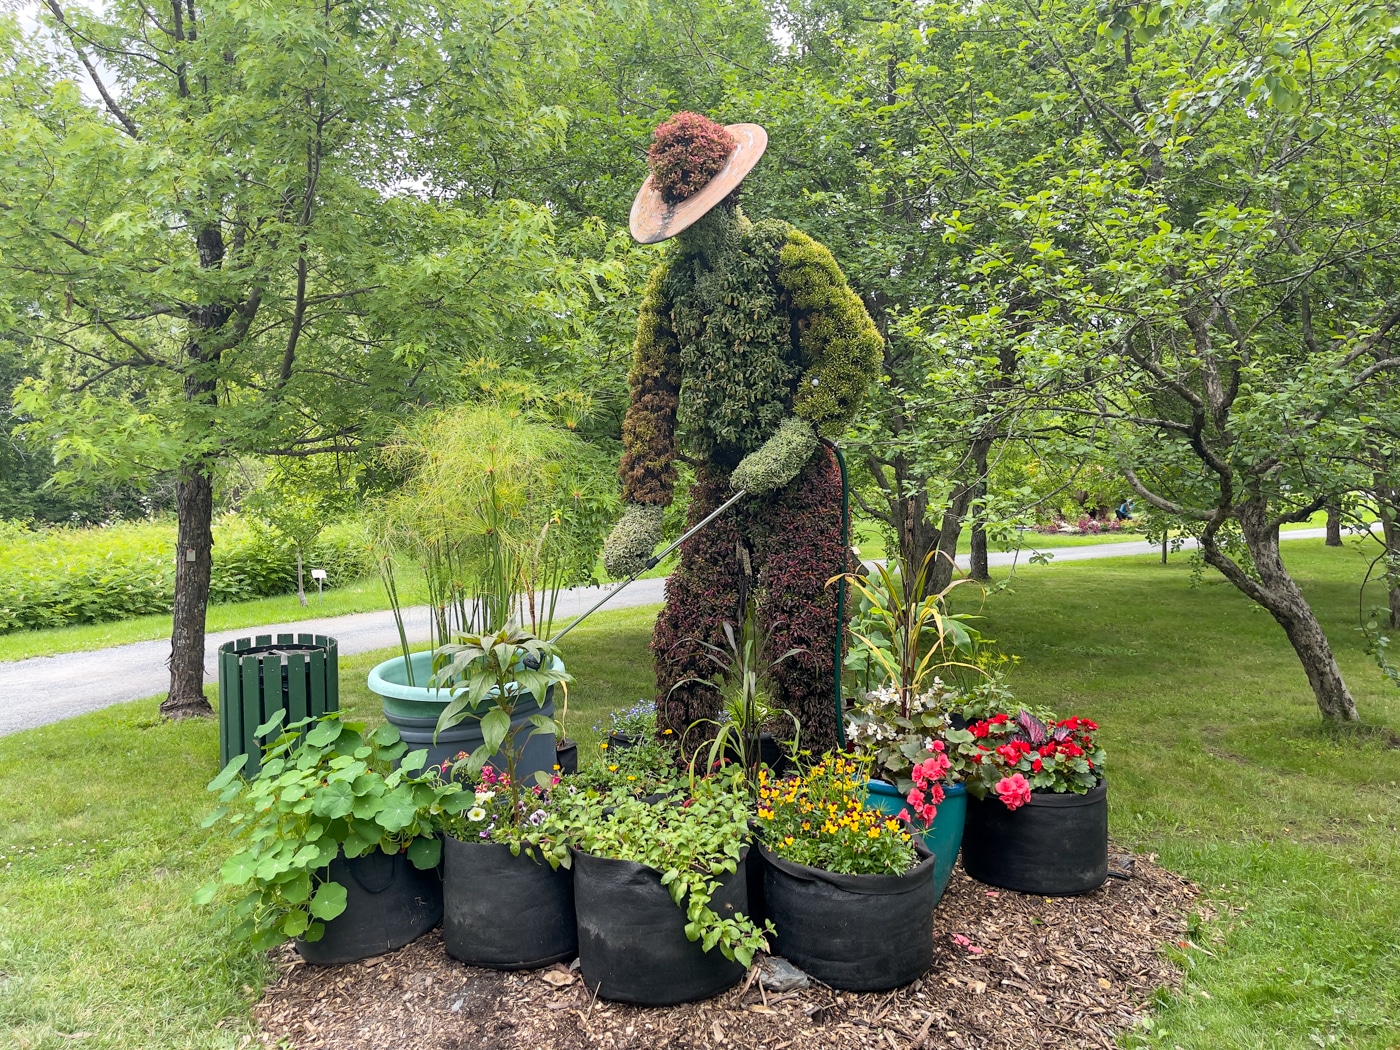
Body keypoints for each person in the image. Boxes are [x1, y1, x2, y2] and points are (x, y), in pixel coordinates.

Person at [601, 113, 882, 753]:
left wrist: (794, 437)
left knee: (802, 634)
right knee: (691, 628)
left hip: (803, 479)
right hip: (721, 478)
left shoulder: (790, 256)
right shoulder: (672, 284)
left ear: (730, 198)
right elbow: (652, 393)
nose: (688, 231)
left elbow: (854, 351)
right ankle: (685, 767)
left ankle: (816, 772)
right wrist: (644, 507)